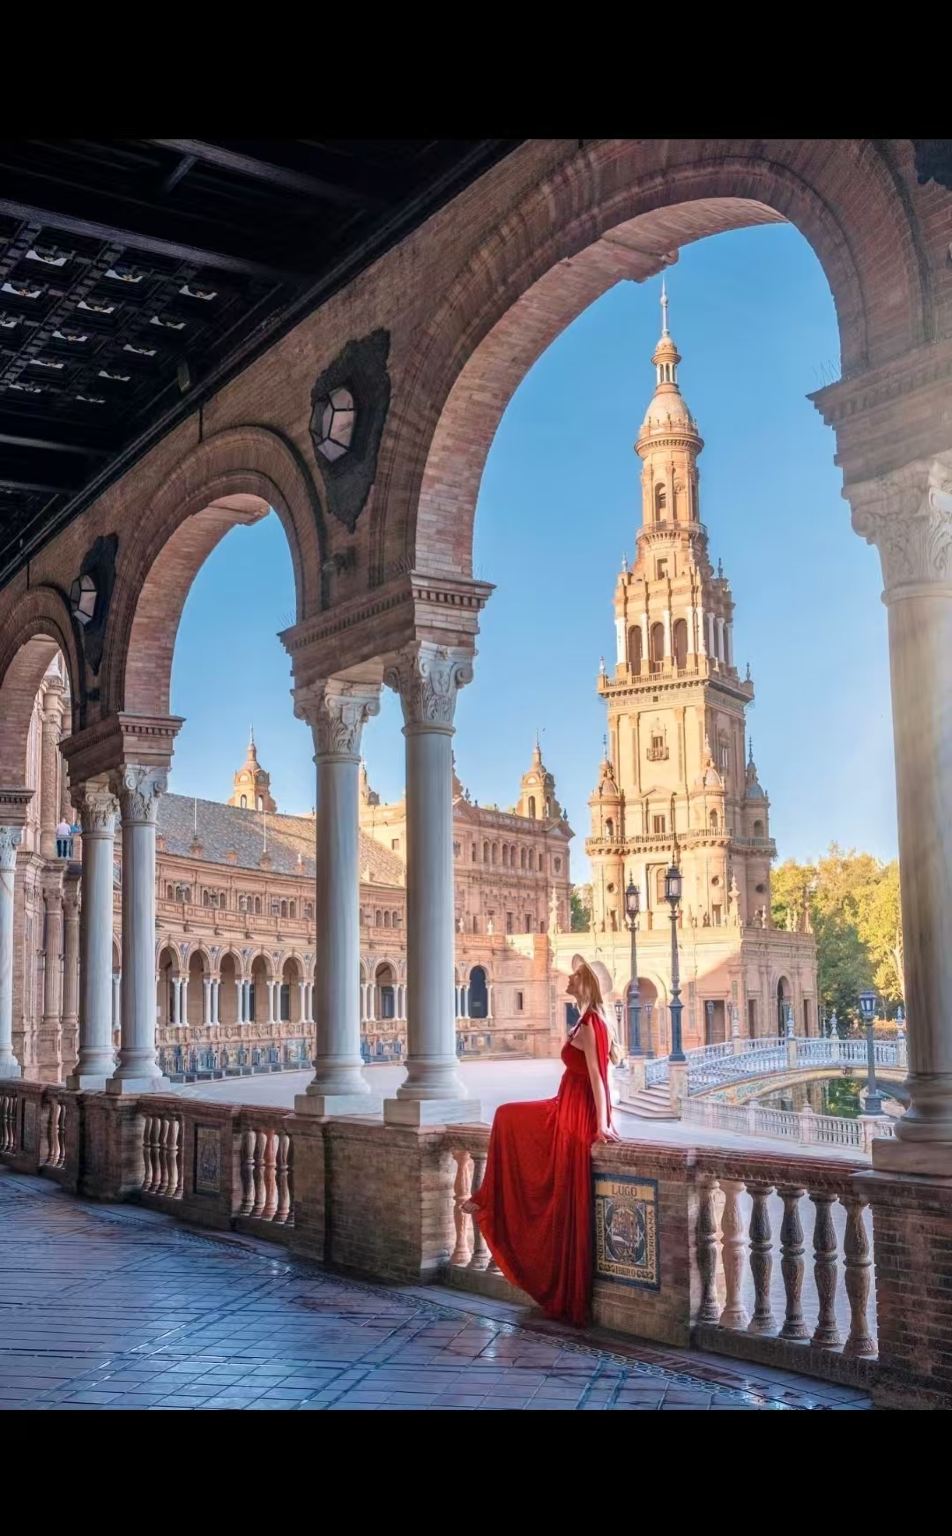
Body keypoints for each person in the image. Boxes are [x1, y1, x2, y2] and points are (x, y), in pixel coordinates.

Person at [462, 955, 621, 1327]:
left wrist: (601, 1125)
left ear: (584, 984)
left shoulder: (591, 1025)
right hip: (566, 1103)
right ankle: (489, 1198)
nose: (567, 980)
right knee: (507, 1117)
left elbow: (598, 1078)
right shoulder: (587, 1020)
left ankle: (489, 1199)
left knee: (506, 1116)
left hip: (572, 1113)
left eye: (573, 976)